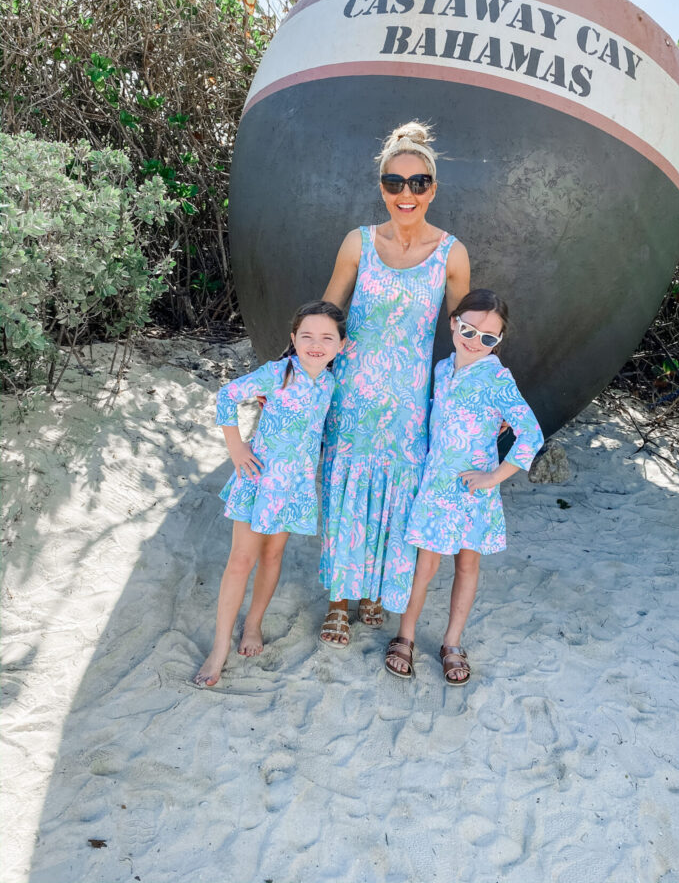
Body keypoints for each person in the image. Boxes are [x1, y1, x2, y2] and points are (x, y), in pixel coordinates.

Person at [318, 121, 471, 646]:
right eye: (395, 182)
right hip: (353, 394)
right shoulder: (358, 243)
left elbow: (462, 338)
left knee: (397, 496)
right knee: (346, 491)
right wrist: (296, 370)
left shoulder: (452, 254)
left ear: (434, 187)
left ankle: (376, 591)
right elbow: (328, 313)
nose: (406, 194)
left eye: (419, 182)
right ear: (381, 185)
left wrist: (473, 399)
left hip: (409, 404)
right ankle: (339, 601)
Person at [384, 288, 544, 685]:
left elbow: (532, 434)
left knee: (467, 564)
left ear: (499, 341)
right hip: (437, 485)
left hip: (474, 490)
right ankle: (406, 633)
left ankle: (452, 641)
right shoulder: (441, 369)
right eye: (470, 330)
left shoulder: (498, 379)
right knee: (425, 565)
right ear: (454, 322)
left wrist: (494, 477)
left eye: (489, 338)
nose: (476, 342)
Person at [194, 301, 345, 686]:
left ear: (341, 346)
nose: (316, 344)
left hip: (295, 488)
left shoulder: (329, 382)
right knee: (241, 560)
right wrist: (237, 448)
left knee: (273, 555)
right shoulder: (278, 374)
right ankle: (219, 647)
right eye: (306, 336)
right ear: (293, 339)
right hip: (259, 481)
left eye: (327, 338)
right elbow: (227, 395)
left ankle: (253, 625)